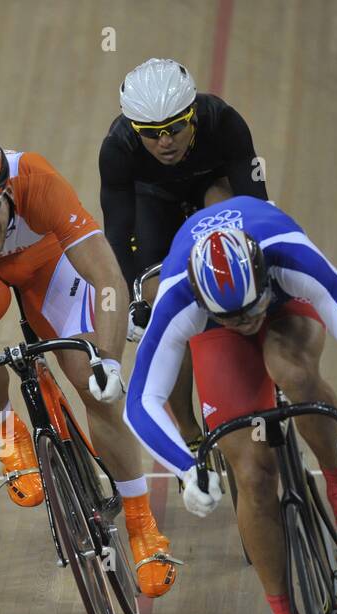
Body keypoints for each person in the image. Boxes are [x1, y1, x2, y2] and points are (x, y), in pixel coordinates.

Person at [124, 196, 337, 614]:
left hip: (283, 304)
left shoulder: (290, 256)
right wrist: (189, 470)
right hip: (215, 329)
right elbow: (139, 401)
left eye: (248, 311)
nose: (246, 323)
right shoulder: (178, 298)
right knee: (249, 471)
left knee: (291, 370)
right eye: (232, 317)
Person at [0, 132, 178, 597]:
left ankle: (140, 521)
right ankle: (9, 431)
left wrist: (109, 363)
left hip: (46, 262)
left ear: (8, 192)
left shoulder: (37, 180)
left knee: (90, 382)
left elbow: (108, 279)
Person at [100, 57, 268, 445]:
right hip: (153, 205)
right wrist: (133, 302)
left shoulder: (224, 122)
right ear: (133, 128)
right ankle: (190, 432)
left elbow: (256, 204)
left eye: (175, 127)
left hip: (211, 189)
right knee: (160, 304)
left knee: (230, 220)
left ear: (192, 115)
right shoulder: (117, 148)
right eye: (151, 132)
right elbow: (118, 235)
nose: (165, 141)